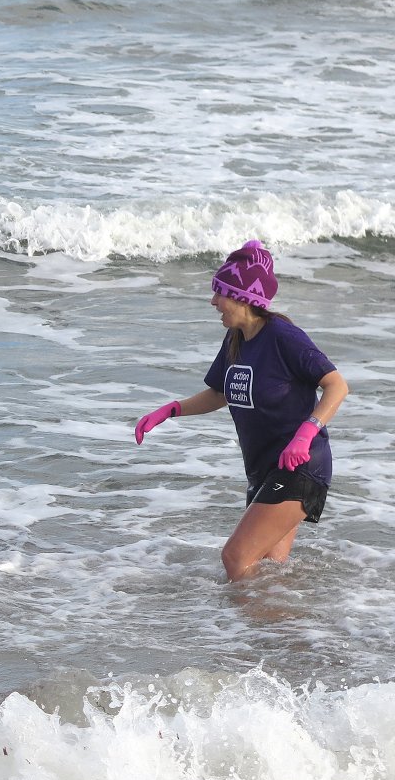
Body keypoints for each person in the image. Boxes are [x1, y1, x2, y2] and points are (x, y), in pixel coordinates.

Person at [134, 240, 348, 581]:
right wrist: (170, 410)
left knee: (235, 558)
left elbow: (337, 385)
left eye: (220, 293)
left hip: (301, 466)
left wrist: (305, 434)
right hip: (265, 470)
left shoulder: (283, 336)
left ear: (244, 296)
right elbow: (221, 393)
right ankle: (277, 632)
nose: (213, 301)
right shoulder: (235, 339)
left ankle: (251, 630)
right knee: (267, 573)